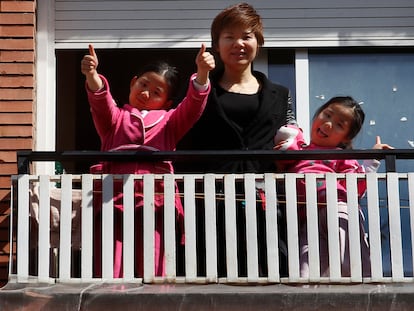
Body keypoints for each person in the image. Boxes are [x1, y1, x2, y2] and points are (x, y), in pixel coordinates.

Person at [176, 2, 296, 276]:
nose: (238, 43)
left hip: (264, 197)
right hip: (209, 197)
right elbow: (181, 127)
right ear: (216, 45)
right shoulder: (200, 88)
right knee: (209, 270)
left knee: (268, 268)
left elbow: (290, 134)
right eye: (229, 37)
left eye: (247, 36)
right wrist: (201, 78)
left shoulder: (280, 93)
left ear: (259, 42)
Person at [81, 43, 215, 278]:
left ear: (167, 103)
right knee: (112, 265)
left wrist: (202, 74)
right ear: (133, 82)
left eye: (156, 92)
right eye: (143, 84)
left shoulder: (170, 123)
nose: (145, 93)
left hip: (156, 200)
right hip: (115, 200)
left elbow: (192, 107)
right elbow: (101, 102)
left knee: (153, 265)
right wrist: (92, 75)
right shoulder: (115, 119)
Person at [274, 96, 394, 277]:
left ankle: (361, 296)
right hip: (307, 218)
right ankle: (308, 298)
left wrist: (373, 159)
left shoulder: (340, 156)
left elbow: (356, 187)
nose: (328, 124)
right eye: (327, 115)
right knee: (307, 268)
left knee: (349, 259)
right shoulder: (298, 152)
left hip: (337, 208)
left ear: (345, 138)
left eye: (339, 125)